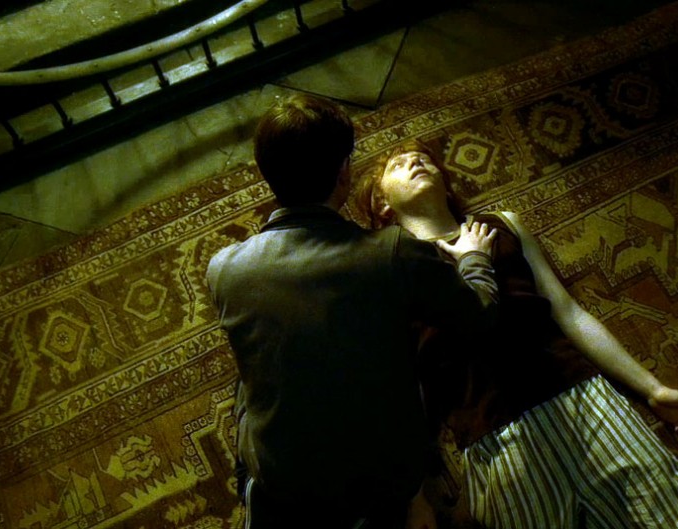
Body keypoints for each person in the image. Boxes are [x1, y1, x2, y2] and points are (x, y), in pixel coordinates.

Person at [356, 139, 678, 529]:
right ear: (382, 204)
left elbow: (568, 312)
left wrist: (652, 389)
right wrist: (417, 497)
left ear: (446, 187)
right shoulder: (387, 273)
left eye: (424, 159)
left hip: (582, 400)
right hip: (494, 437)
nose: (416, 161)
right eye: (399, 165)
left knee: (677, 516)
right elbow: (401, 386)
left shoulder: (503, 224)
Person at [206, 95, 501, 529]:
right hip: (383, 487)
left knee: (250, 378)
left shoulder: (223, 269)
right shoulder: (392, 251)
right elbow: (482, 315)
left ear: (267, 174)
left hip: (280, 484)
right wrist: (474, 258)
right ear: (344, 172)